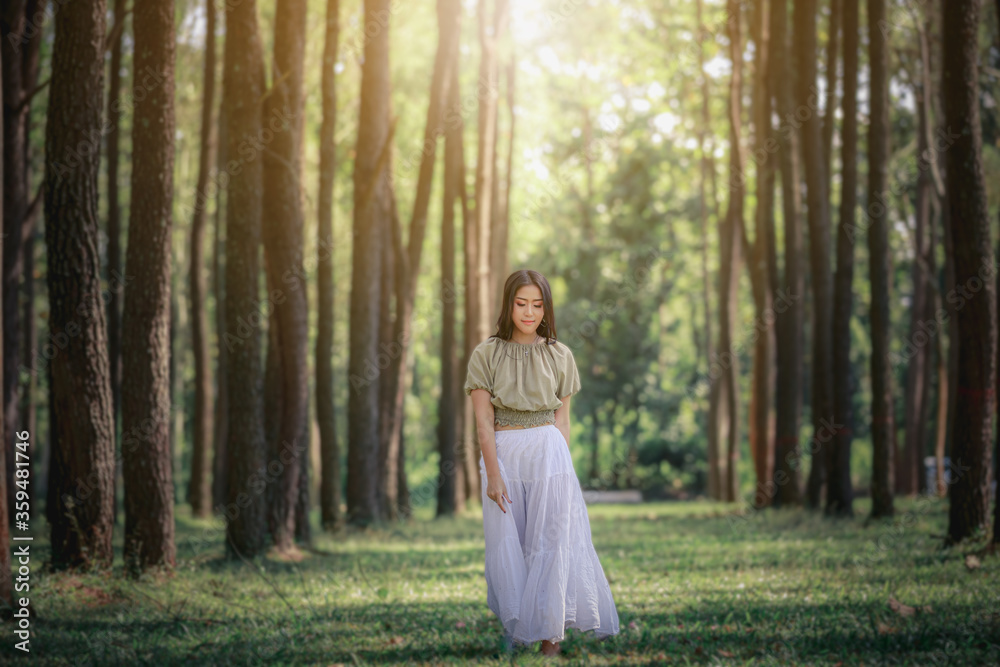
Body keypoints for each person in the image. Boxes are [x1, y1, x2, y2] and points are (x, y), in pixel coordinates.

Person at [464, 269, 620, 657]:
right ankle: (517, 634)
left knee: (551, 542)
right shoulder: (486, 353)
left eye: (537, 304)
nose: (529, 312)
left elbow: (562, 419)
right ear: (508, 305)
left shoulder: (560, 354)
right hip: (505, 452)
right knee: (509, 544)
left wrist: (563, 471)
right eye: (521, 304)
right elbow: (483, 422)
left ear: (546, 308)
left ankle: (550, 646)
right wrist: (493, 475)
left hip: (550, 453)